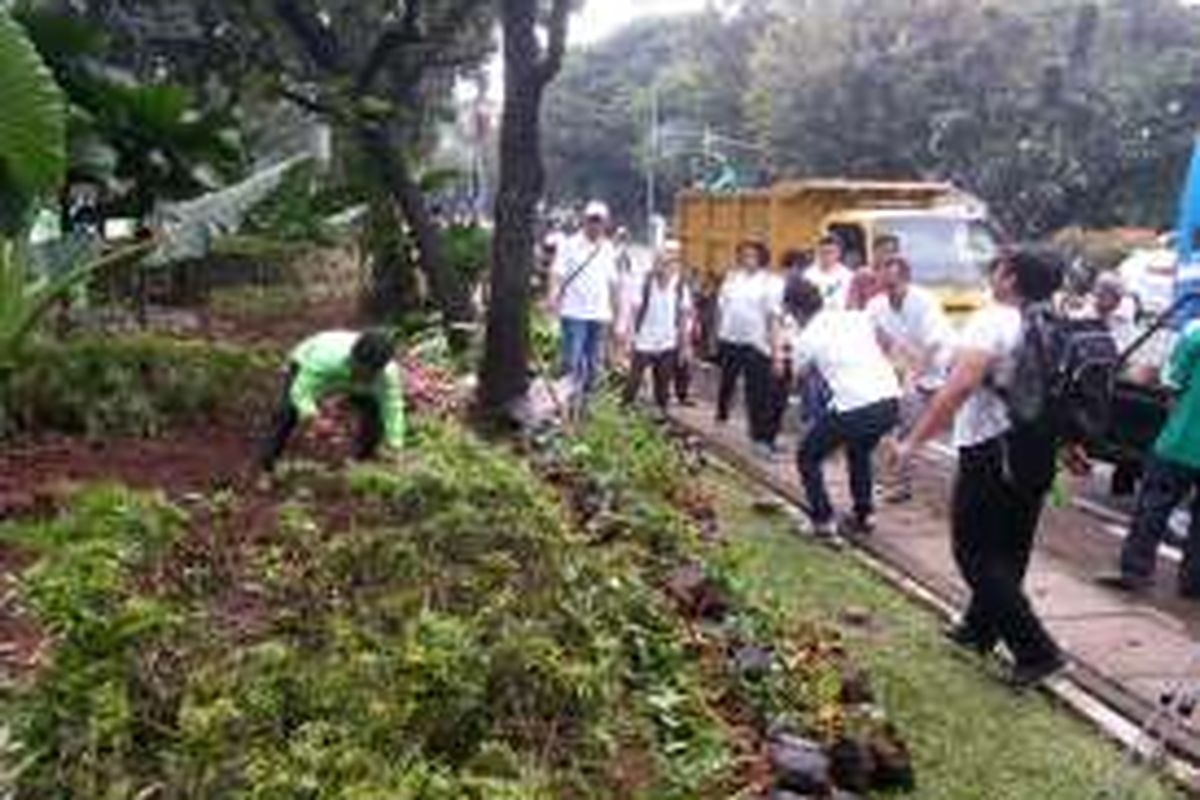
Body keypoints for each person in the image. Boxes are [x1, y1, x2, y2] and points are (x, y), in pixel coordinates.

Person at [894, 249, 1071, 688]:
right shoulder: (1051, 321)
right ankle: (980, 628)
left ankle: (1037, 651)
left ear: (1010, 279)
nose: (992, 275)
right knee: (1010, 548)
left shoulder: (993, 319)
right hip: (1034, 448)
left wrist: (913, 441)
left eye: (997, 269)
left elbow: (960, 386)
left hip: (991, 447)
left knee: (973, 551)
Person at [784, 277, 900, 538]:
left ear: (794, 310)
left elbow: (796, 379)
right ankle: (864, 514)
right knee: (858, 451)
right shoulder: (853, 318)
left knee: (807, 455)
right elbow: (883, 342)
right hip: (889, 400)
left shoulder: (807, 337)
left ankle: (822, 520)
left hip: (855, 406)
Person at [1097, 318, 1200, 598]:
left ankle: (1135, 572)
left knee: (1153, 506)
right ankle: (1193, 585)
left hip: (1180, 442)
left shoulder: (1195, 334)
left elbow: (1171, 382)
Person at [868, 255, 955, 502]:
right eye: (881, 273)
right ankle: (897, 482)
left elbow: (933, 346)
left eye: (890, 275)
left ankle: (901, 483)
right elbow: (880, 340)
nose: (884, 279)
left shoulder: (923, 301)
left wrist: (911, 380)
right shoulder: (876, 305)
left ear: (904, 277)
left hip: (937, 369)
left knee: (913, 426)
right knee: (894, 425)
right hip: (903, 369)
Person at [258, 330, 405, 474]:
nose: (364, 376)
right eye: (361, 370)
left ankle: (363, 460)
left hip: (345, 376)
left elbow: (393, 410)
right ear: (353, 358)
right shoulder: (325, 358)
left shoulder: (387, 376)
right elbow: (301, 392)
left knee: (374, 413)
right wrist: (314, 418)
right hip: (309, 359)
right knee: (287, 412)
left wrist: (396, 446)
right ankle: (267, 465)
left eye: (370, 374)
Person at [548, 200, 620, 413]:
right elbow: (556, 274)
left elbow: (613, 283)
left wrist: (617, 316)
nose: (595, 225)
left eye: (599, 221)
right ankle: (566, 406)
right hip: (574, 313)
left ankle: (585, 408)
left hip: (599, 315)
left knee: (594, 366)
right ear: (584, 220)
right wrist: (553, 297)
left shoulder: (608, 248)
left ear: (606, 223)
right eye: (592, 220)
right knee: (572, 361)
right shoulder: (569, 245)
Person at [716, 238, 780, 457]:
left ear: (761, 258)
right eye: (744, 255)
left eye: (752, 255)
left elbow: (773, 317)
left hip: (756, 342)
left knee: (757, 391)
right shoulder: (732, 278)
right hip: (731, 338)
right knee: (727, 379)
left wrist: (775, 350)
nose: (748, 259)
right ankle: (721, 413)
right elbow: (722, 307)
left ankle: (758, 437)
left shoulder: (770, 282)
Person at [622, 244, 693, 415]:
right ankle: (625, 408)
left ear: (676, 267)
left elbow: (683, 317)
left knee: (663, 382)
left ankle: (661, 412)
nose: (666, 268)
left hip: (667, 341)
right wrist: (629, 337)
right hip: (644, 339)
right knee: (634, 380)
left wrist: (684, 346)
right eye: (662, 263)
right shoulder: (645, 283)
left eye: (670, 264)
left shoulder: (680, 286)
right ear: (655, 265)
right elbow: (634, 311)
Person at [848, 233, 901, 310]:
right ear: (874, 251)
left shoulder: (897, 276)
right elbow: (852, 302)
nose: (889, 255)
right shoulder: (862, 274)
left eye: (892, 252)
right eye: (885, 251)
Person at [804, 234, 855, 310]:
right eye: (823, 252)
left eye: (830, 252)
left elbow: (852, 301)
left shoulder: (848, 275)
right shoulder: (808, 275)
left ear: (838, 253)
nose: (827, 256)